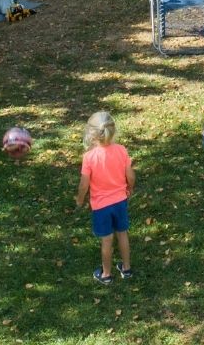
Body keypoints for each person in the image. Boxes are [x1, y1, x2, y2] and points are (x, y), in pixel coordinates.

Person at [75, 111, 135, 284]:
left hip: (101, 206)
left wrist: (80, 199)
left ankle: (106, 274)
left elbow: (84, 185)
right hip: (120, 202)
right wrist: (129, 188)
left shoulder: (89, 157)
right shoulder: (121, 150)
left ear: (91, 133)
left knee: (107, 239)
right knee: (122, 234)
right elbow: (130, 176)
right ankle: (126, 268)